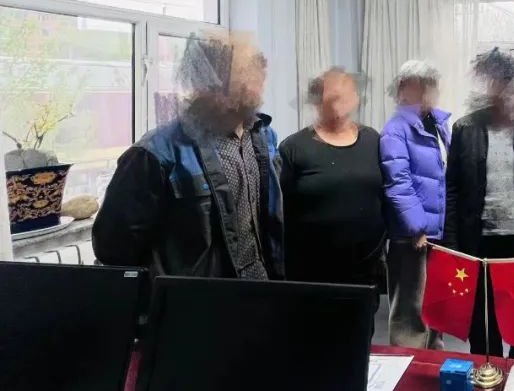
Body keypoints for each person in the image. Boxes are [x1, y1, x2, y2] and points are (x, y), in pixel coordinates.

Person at [93, 31, 284, 279]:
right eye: (248, 71)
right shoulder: (154, 155)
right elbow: (113, 249)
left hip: (262, 289)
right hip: (199, 300)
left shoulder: (264, 137)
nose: (260, 79)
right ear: (210, 83)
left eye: (258, 69)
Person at [444, 48, 514, 362]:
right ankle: (486, 376)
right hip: (477, 245)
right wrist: (452, 244)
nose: (500, 88)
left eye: (506, 81)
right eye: (493, 81)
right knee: (483, 325)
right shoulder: (465, 129)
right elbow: (452, 189)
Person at [279, 68, 385, 291]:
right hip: (311, 275)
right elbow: (280, 213)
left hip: (367, 275)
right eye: (333, 94)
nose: (340, 100)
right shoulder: (293, 148)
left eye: (347, 92)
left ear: (356, 98)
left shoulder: (373, 140)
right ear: (317, 101)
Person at [380, 60, 451, 349]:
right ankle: (407, 370)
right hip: (412, 237)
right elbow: (398, 182)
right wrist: (417, 227)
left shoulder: (438, 124)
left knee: (435, 311)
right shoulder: (396, 129)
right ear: (402, 89)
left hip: (438, 235)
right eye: (420, 86)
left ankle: (433, 367)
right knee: (410, 314)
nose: (427, 92)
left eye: (430, 85)